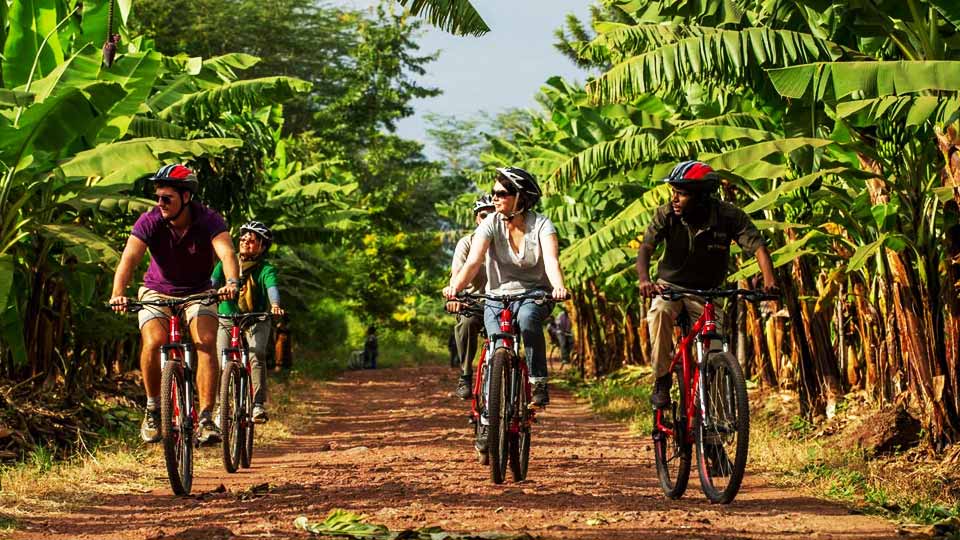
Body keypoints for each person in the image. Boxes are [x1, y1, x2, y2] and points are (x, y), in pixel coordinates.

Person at [109, 164, 239, 445]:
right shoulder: (150, 220)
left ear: (186, 197)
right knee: (154, 342)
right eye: (158, 198)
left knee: (205, 342)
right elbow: (129, 259)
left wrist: (231, 282)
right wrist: (118, 292)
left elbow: (227, 252)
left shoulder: (209, 220)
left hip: (199, 291)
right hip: (156, 291)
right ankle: (154, 408)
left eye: (167, 198)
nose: (160, 203)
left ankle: (205, 417)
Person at [637, 160, 777, 408]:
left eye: (681, 193)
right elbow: (646, 247)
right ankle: (661, 380)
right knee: (659, 314)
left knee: (715, 355)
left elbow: (758, 248)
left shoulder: (728, 215)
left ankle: (713, 438)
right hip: (670, 288)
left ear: (702, 197)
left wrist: (769, 282)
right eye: (674, 192)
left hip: (707, 294)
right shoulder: (667, 213)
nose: (675, 199)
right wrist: (645, 280)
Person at [443, 167, 568, 415]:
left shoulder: (542, 225)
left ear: (520, 197)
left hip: (534, 294)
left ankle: (538, 382)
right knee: (495, 340)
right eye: (493, 193)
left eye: (501, 193)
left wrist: (558, 287)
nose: (495, 198)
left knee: (528, 319)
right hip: (496, 297)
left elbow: (552, 261)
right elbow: (474, 261)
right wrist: (455, 289)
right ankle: (490, 397)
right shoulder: (490, 223)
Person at [211, 221, 284, 424]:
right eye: (243, 239)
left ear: (262, 246)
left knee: (256, 354)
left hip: (256, 318)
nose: (245, 243)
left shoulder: (265, 269)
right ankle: (219, 408)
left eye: (251, 241)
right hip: (227, 317)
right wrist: (208, 294)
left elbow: (271, 287)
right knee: (218, 360)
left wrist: (275, 304)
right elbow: (213, 283)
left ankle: (257, 404)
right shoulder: (227, 262)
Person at [448, 195, 496, 400]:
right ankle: (466, 374)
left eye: (493, 215)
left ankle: (525, 378)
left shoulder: (508, 240)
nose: (488, 219)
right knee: (466, 324)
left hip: (505, 301)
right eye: (484, 215)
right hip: (474, 301)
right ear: (477, 219)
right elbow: (457, 273)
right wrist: (454, 295)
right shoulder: (466, 243)